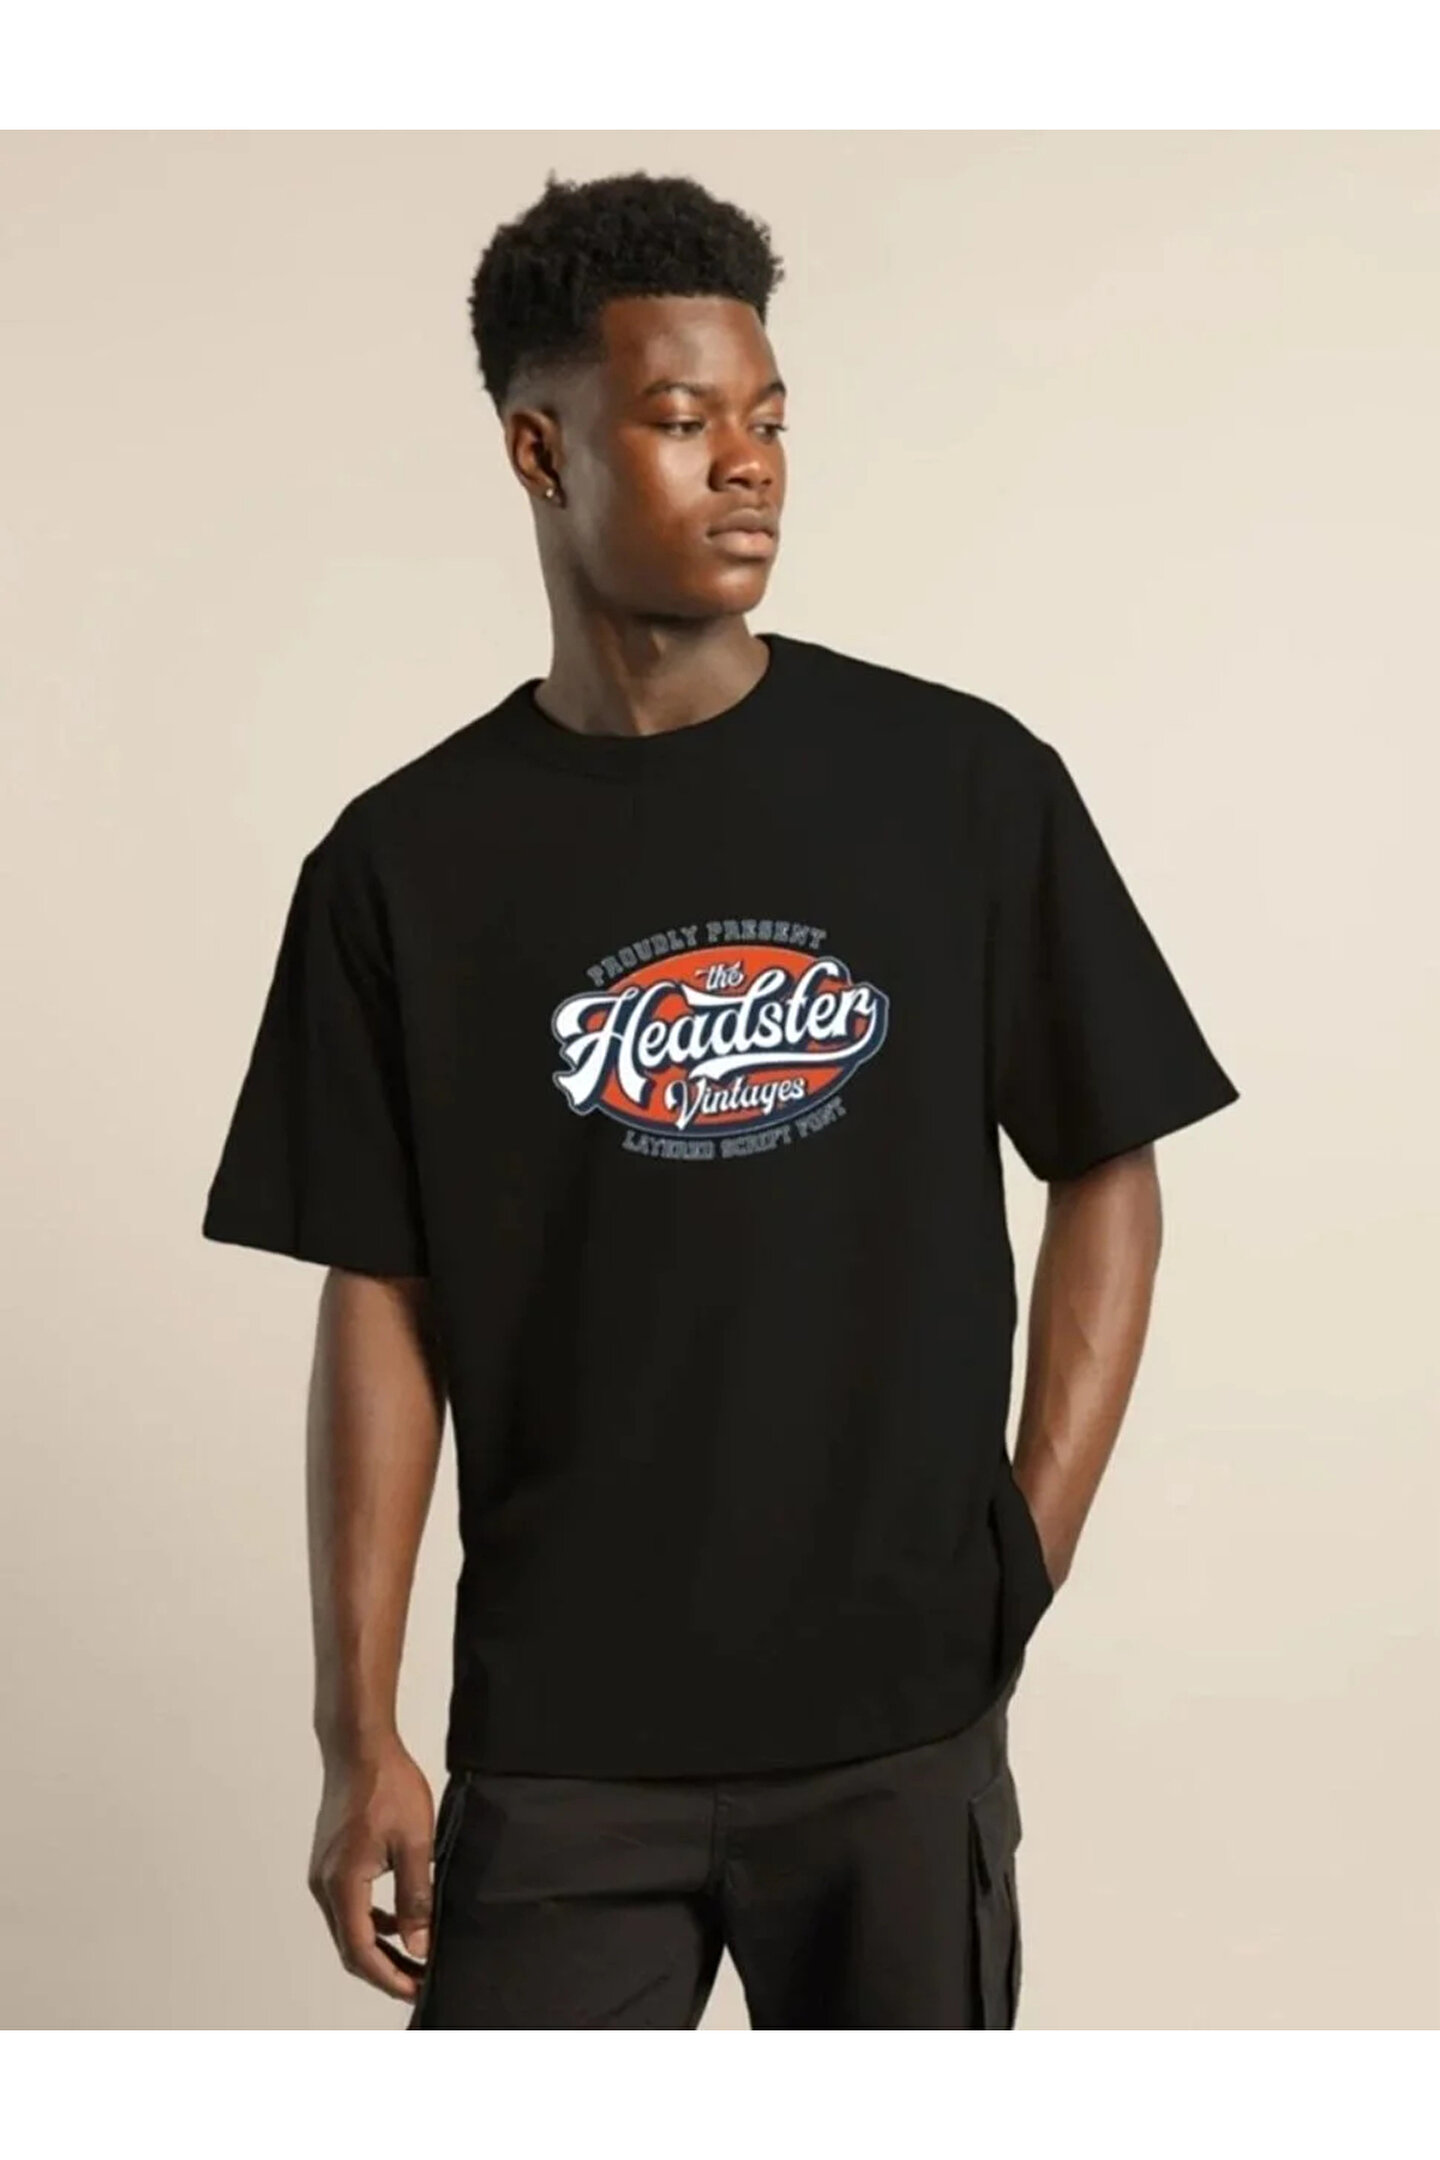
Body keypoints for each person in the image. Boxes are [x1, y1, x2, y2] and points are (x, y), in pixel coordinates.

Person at [201, 169, 1239, 2029]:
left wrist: (1025, 1548)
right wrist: (359, 1733)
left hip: (900, 1726)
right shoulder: (402, 865)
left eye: (768, 418)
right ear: (541, 450)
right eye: (683, 421)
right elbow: (379, 1294)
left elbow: (1112, 1160)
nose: (749, 464)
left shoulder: (959, 786)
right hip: (560, 1745)